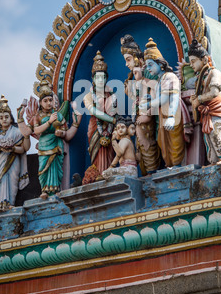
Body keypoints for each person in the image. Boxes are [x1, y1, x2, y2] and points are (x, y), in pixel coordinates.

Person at [17, 81, 81, 199]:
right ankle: (44, 190)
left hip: (56, 146)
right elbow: (33, 131)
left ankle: (56, 189)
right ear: (40, 103)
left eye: (50, 100)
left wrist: (74, 124)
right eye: (45, 101)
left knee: (56, 170)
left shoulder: (58, 115)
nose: (48, 103)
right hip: (44, 146)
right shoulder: (37, 117)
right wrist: (20, 119)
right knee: (43, 170)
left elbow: (66, 135)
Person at [140, 38, 186, 168]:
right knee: (162, 141)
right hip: (162, 114)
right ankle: (169, 165)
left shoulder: (169, 76)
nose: (148, 69)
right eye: (147, 66)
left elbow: (166, 99)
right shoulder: (160, 80)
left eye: (150, 65)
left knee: (174, 142)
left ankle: (176, 166)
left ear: (160, 64)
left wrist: (150, 105)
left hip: (173, 112)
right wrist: (150, 98)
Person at [0, 95, 30, 212]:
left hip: (13, 160)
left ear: (11, 117)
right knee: (1, 181)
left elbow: (24, 148)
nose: (4, 119)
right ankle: (0, 204)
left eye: (6, 117)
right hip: (1, 161)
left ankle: (10, 203)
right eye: (1, 117)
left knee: (11, 181)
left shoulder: (17, 131)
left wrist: (13, 148)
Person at [120, 34, 161, 175]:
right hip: (138, 117)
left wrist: (147, 115)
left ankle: (152, 173)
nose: (127, 64)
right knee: (140, 147)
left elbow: (154, 92)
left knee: (147, 145)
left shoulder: (148, 74)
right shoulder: (134, 78)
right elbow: (132, 94)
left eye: (129, 60)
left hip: (147, 118)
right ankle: (147, 174)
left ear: (137, 58)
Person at [188, 39, 221, 165]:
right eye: (190, 62)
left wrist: (199, 99)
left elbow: (214, 92)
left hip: (216, 108)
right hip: (206, 112)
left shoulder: (214, 73)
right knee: (208, 138)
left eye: (193, 61)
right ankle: (213, 161)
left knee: (215, 133)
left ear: (204, 60)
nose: (191, 65)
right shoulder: (199, 79)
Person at [83, 51, 117, 181]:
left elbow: (114, 111)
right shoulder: (88, 96)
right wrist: (111, 119)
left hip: (109, 128)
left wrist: (112, 119)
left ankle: (107, 172)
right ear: (93, 79)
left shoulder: (111, 95)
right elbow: (96, 112)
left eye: (103, 77)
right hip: (95, 127)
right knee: (97, 151)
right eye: (98, 78)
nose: (101, 80)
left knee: (109, 150)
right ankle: (98, 173)